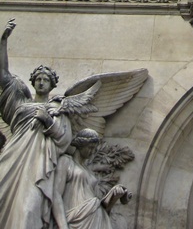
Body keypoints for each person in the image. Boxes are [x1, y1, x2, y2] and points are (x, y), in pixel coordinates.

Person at [0, 18, 73, 228]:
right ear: (33, 82)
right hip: (13, 156)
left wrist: (48, 120)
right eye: (38, 78)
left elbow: (64, 138)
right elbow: (3, 75)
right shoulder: (20, 103)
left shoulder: (57, 108)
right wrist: (3, 41)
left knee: (28, 209)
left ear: (51, 84)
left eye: (45, 79)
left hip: (39, 164)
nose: (41, 81)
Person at [52, 129, 131, 229]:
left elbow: (101, 206)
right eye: (90, 147)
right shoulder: (66, 161)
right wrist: (63, 226)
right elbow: (56, 194)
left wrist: (113, 197)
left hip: (97, 217)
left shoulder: (90, 172)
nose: (92, 151)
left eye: (94, 148)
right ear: (81, 144)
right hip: (74, 219)